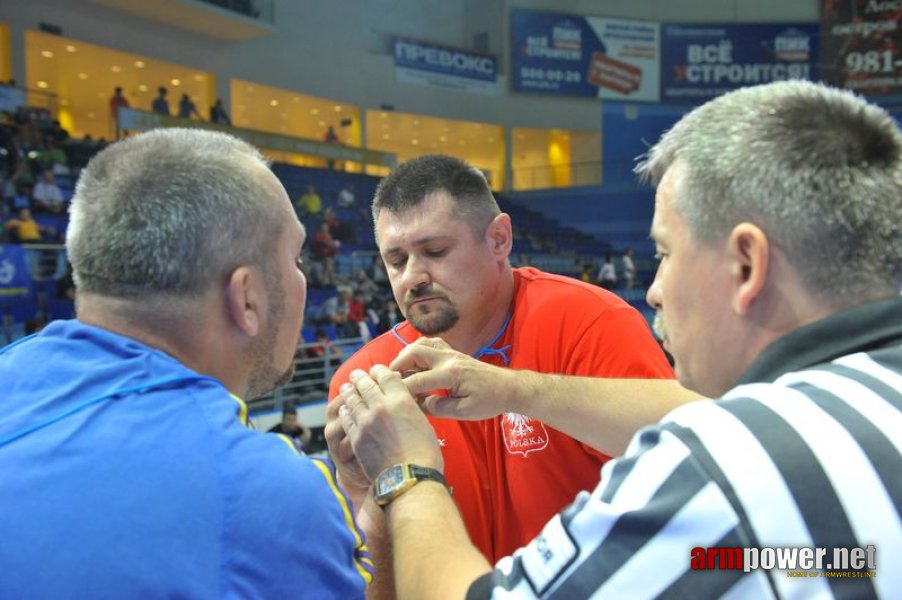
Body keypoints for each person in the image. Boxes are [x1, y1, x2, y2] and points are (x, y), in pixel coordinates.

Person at [334, 80, 902, 598]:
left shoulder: (722, 463)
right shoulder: (851, 417)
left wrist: (404, 472)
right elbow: (837, 561)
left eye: (664, 254)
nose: (653, 289)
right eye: (395, 259)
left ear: (747, 264)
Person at [0, 128, 371, 598]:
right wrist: (400, 482)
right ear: (248, 298)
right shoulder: (261, 492)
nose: (302, 277)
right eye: (296, 258)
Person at [327, 154, 679, 564]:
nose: (412, 277)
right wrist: (356, 488)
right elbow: (366, 574)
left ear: (499, 239)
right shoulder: (365, 379)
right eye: (397, 261)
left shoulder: (591, 321)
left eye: (435, 251)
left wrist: (518, 390)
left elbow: (678, 451)